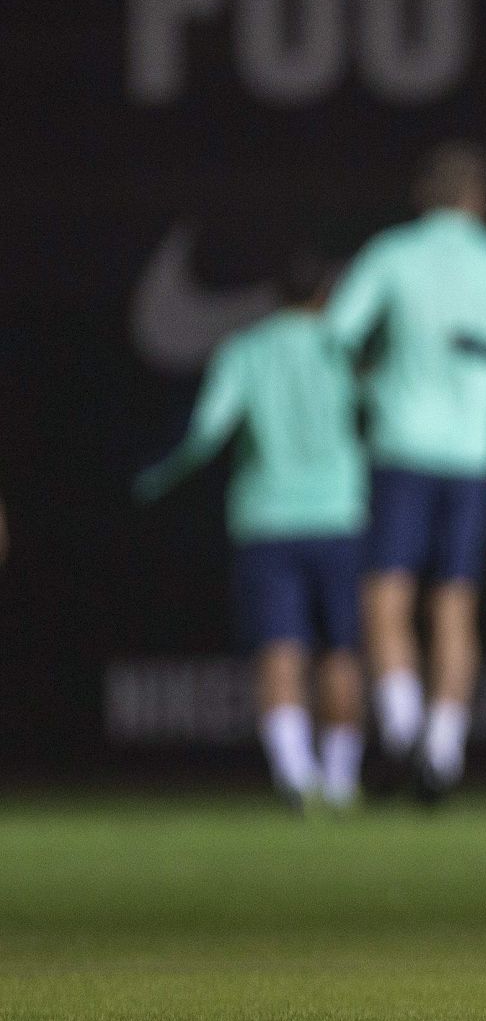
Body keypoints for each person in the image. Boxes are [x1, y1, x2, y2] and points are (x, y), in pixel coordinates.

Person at [135, 256, 367, 810]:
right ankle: (340, 783)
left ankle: (296, 776)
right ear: (325, 296)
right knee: (342, 649)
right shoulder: (341, 347)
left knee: (279, 645)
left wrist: (157, 476)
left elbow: (206, 431)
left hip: (268, 521)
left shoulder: (246, 349)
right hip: (338, 517)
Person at [325, 142, 486, 800]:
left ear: (422, 194)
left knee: (387, 595)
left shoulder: (392, 253)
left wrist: (373, 380)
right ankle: (442, 750)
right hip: (475, 455)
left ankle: (403, 730)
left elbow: (337, 334)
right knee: (455, 604)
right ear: (478, 198)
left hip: (401, 446)